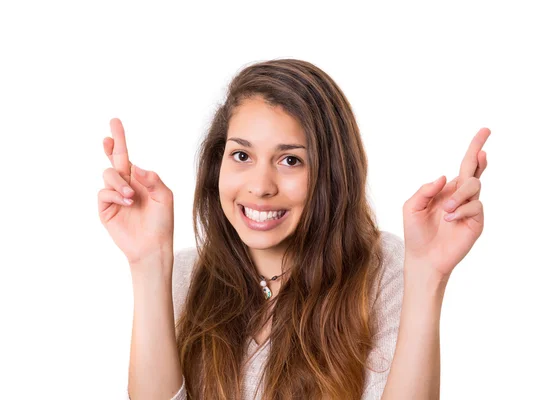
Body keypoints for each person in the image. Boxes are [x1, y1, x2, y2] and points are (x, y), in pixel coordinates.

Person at [97, 59, 490, 399]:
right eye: (241, 155)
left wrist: (428, 276)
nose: (261, 186)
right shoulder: (185, 274)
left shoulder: (385, 272)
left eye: (290, 160)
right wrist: (148, 262)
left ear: (332, 174)